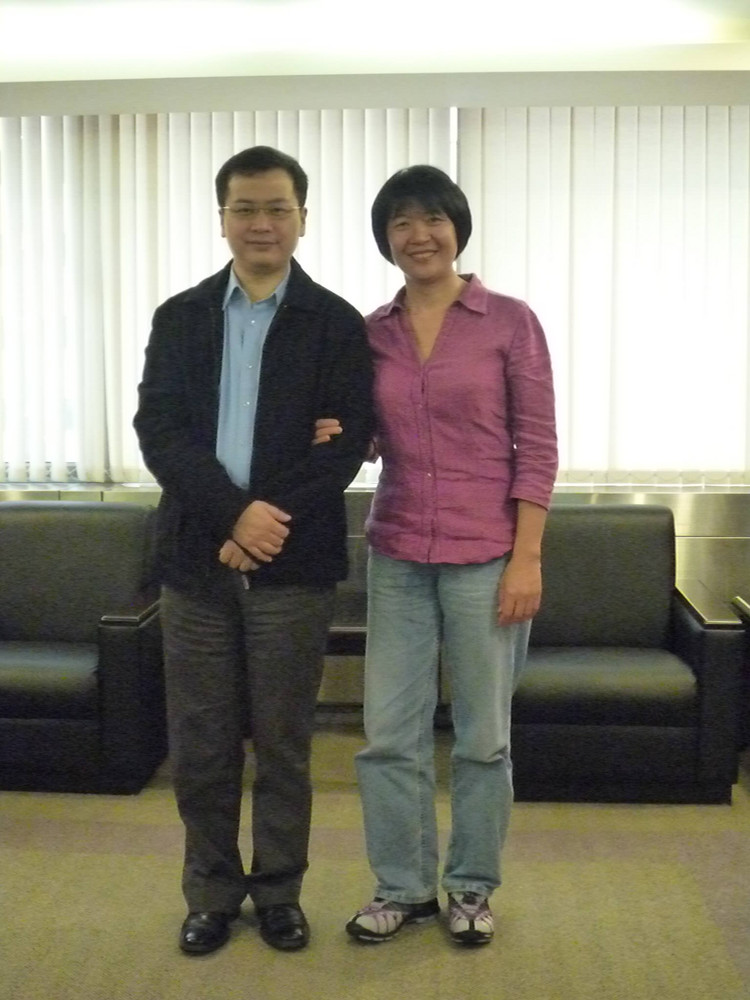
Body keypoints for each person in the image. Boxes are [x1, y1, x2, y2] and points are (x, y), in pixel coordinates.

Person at [133, 145, 373, 956]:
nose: (261, 223)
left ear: (303, 218)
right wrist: (235, 517)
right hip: (195, 565)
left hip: (294, 571)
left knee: (283, 744)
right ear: (223, 218)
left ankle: (278, 892)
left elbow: (344, 446)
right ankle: (210, 893)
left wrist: (266, 522)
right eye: (245, 208)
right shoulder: (181, 317)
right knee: (200, 745)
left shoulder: (335, 323)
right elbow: (160, 433)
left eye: (277, 208)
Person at [315, 165, 557, 946]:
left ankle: (472, 886)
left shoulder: (509, 322)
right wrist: (334, 432)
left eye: (433, 219)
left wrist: (528, 558)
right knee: (390, 735)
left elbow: (537, 447)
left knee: (483, 738)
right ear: (385, 238)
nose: (418, 236)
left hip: (488, 555)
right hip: (398, 553)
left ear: (457, 228)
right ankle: (404, 887)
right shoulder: (371, 331)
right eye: (401, 223)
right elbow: (367, 434)